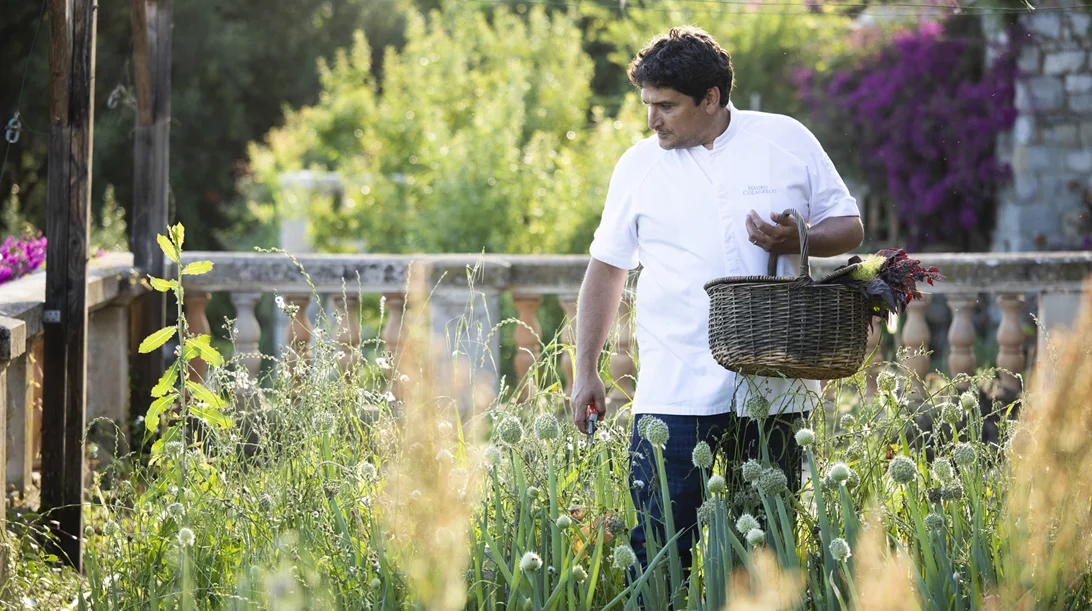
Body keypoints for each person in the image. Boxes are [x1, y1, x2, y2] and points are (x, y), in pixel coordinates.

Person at [568, 26, 864, 570]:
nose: (652, 119)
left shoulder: (786, 139)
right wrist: (584, 367)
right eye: (648, 104)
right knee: (658, 558)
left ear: (711, 98)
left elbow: (850, 227)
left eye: (666, 106)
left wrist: (796, 238)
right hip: (673, 394)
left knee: (763, 563)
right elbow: (606, 269)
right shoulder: (638, 165)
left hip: (774, 390)